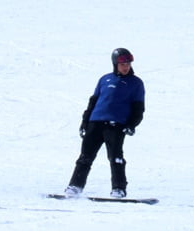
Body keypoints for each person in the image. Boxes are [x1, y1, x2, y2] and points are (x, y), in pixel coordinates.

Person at [61, 48, 145, 198]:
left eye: (128, 64)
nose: (126, 67)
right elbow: (93, 103)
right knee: (85, 157)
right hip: (95, 122)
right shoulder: (104, 79)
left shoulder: (136, 83)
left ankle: (119, 188)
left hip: (116, 125)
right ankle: (75, 186)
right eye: (122, 64)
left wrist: (132, 124)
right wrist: (84, 123)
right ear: (115, 64)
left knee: (116, 158)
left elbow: (138, 108)